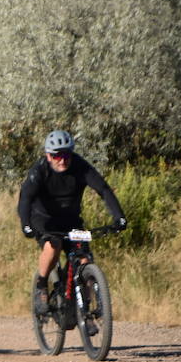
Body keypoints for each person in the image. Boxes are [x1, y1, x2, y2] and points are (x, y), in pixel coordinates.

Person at [19, 130, 126, 314]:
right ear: (48, 156)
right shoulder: (39, 171)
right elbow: (25, 200)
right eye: (57, 155)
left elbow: (104, 190)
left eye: (66, 154)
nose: (62, 160)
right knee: (54, 246)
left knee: (84, 258)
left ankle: (86, 309)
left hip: (71, 220)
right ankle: (42, 285)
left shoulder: (80, 166)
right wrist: (26, 225)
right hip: (44, 220)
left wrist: (119, 217)